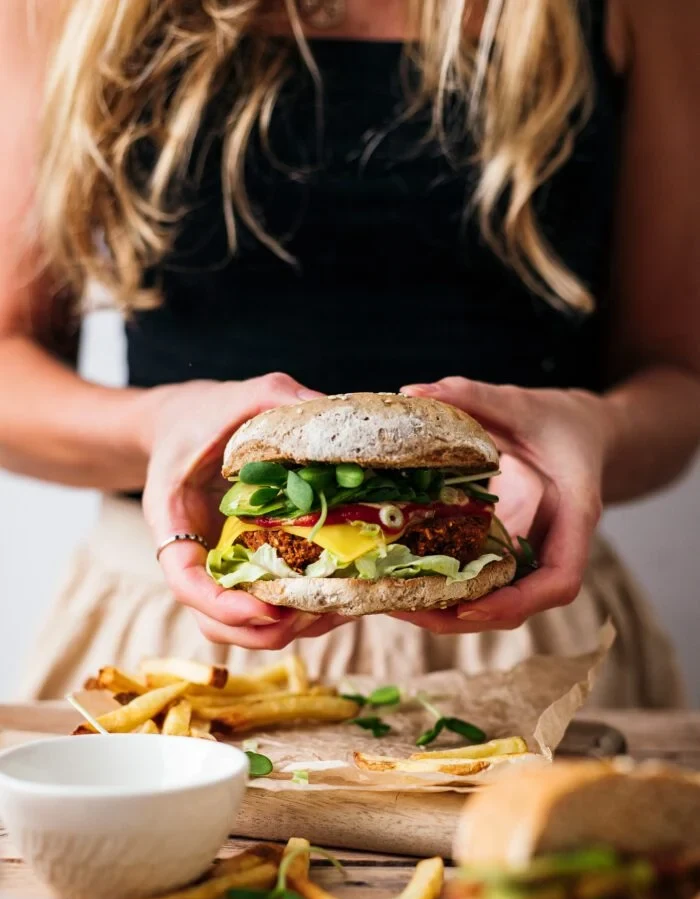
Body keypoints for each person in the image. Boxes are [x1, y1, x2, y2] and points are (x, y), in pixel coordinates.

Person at [1, 0, 698, 705]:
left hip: (531, 644)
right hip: (181, 644)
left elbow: (677, 379)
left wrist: (595, 432)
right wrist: (159, 426)